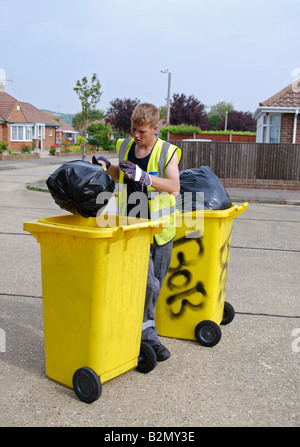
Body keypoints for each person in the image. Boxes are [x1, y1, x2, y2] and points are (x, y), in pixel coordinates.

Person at [93, 103, 181, 361]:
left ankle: (142, 330)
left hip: (161, 230)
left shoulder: (167, 151)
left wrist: (146, 178)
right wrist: (107, 166)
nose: (136, 135)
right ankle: (149, 339)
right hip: (132, 227)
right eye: (133, 129)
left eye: (142, 131)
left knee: (155, 285)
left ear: (155, 128)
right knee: (148, 283)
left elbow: (174, 186)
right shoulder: (125, 145)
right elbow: (122, 176)